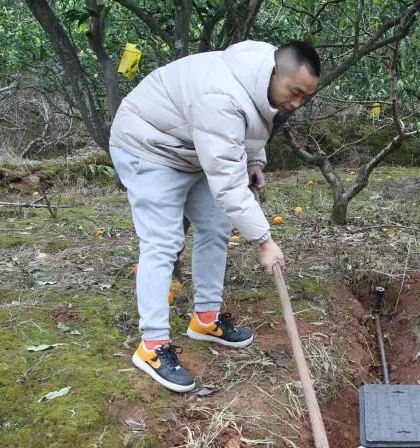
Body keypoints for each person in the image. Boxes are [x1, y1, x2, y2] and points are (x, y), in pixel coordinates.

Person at [109, 40, 321, 392]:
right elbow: (228, 185)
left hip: (193, 147)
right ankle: (151, 347)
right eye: (295, 92)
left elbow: (255, 121)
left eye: (305, 97)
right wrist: (265, 241)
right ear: (275, 72)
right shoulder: (219, 98)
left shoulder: (261, 74)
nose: (296, 103)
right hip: (149, 145)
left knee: (216, 225)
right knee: (163, 242)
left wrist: (255, 160)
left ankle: (205, 319)